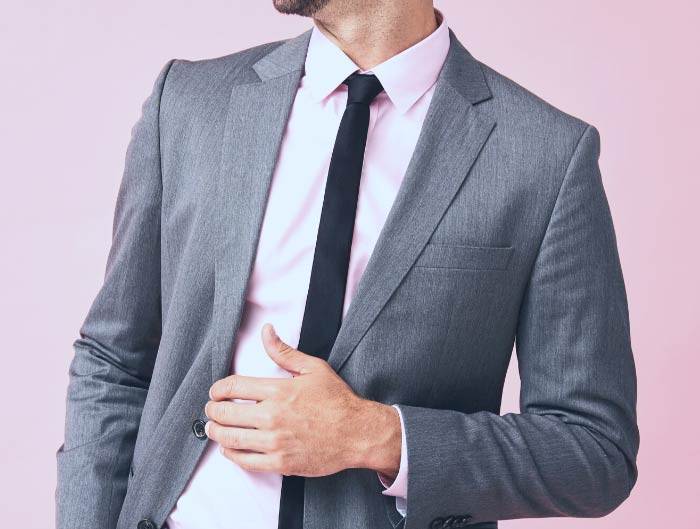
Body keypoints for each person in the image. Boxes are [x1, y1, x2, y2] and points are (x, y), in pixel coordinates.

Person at [56, 1, 639, 528]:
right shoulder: (188, 102)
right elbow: (114, 360)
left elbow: (595, 451)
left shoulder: (546, 155)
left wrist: (380, 436)